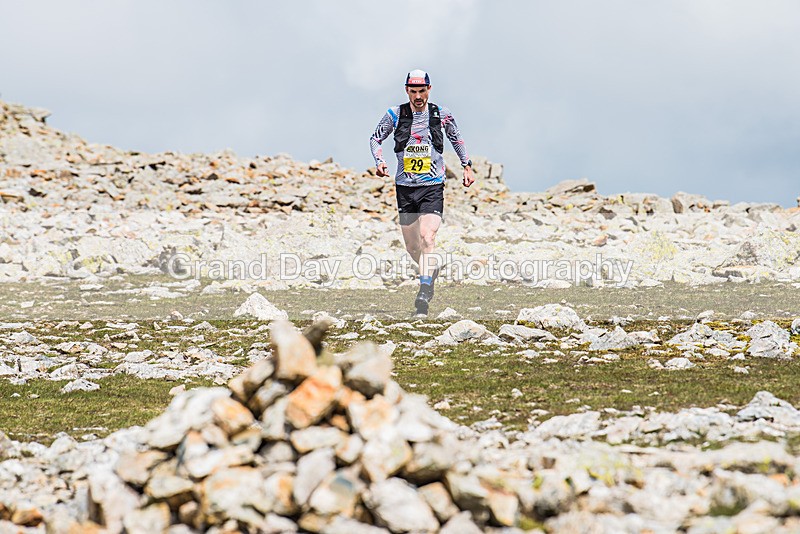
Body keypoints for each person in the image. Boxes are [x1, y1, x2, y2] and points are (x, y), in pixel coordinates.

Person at [369, 69, 474, 315]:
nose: (418, 96)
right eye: (413, 91)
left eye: (422, 91)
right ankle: (430, 269)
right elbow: (375, 139)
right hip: (405, 188)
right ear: (407, 90)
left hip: (432, 186)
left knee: (428, 237)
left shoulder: (442, 115)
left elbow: (457, 139)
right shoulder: (394, 115)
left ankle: (424, 293)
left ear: (429, 89)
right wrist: (379, 161)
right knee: (413, 247)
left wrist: (466, 166)